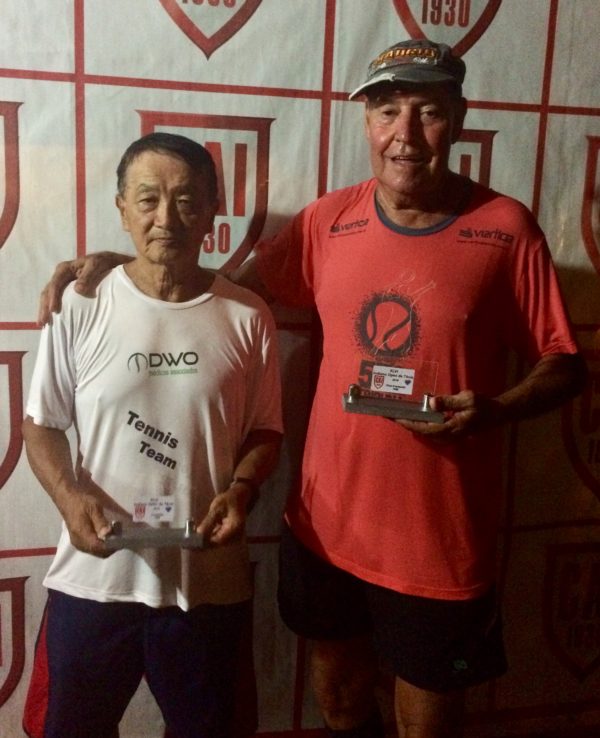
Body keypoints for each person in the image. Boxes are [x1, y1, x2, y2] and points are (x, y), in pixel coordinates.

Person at [37, 40, 587, 738]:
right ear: (367, 122)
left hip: (440, 542)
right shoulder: (328, 221)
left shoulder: (506, 228)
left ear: (458, 117)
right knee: (340, 702)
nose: (405, 134)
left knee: (427, 725)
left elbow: (564, 363)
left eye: (427, 111)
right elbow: (218, 297)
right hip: (327, 533)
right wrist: (139, 263)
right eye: (387, 111)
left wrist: (496, 409)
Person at [23, 132, 283, 738]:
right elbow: (42, 425)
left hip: (208, 583)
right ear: (121, 209)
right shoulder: (80, 304)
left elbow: (266, 430)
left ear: (213, 212)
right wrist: (69, 498)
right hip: (95, 581)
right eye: (148, 199)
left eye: (186, 200)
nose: (166, 218)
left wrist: (242, 490)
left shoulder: (249, 315)